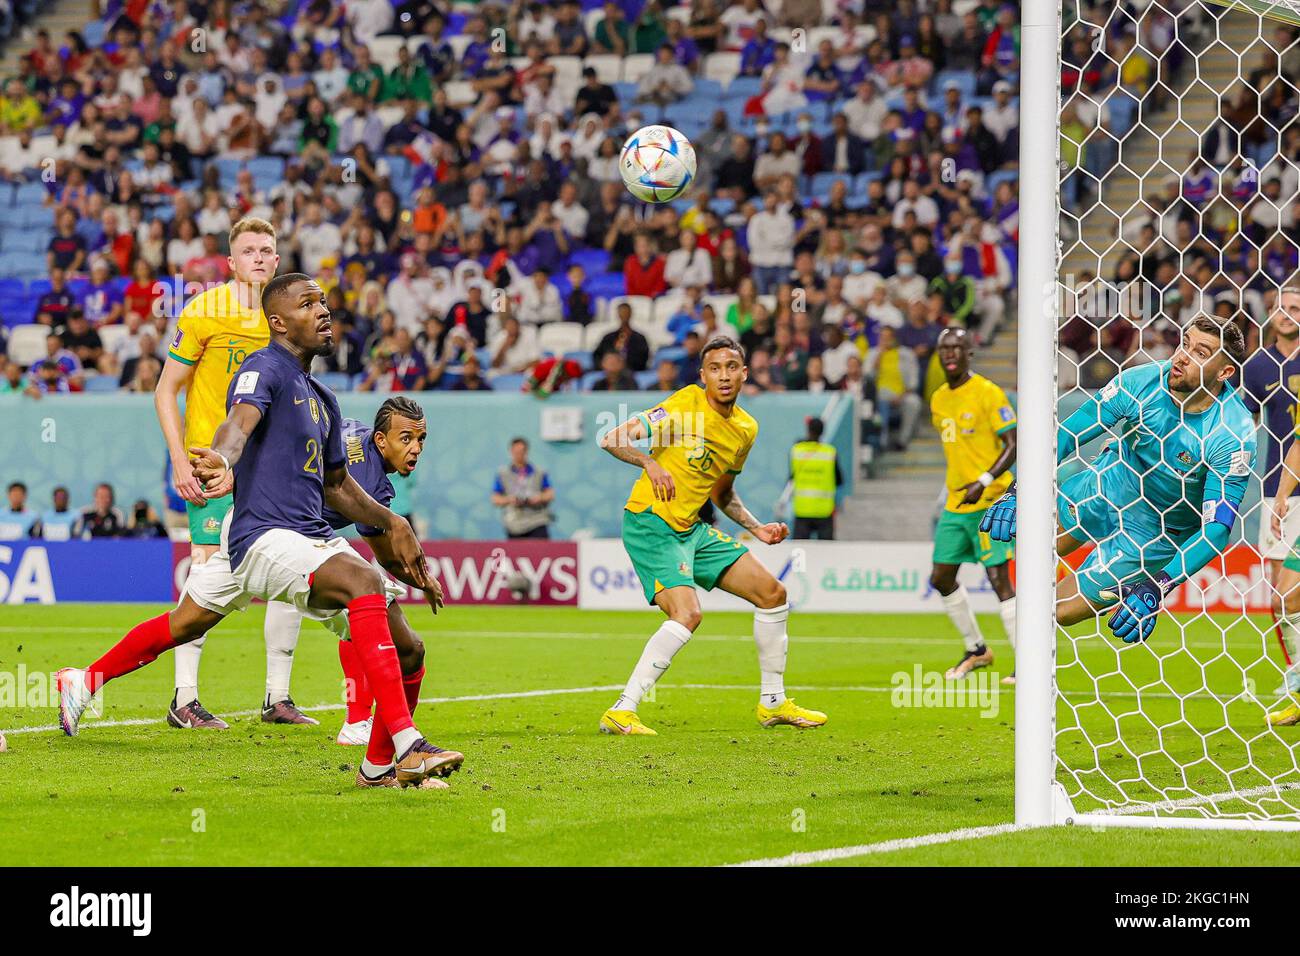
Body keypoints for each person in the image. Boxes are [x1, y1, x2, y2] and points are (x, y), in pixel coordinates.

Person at [56, 273, 462, 791]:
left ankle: (83, 680)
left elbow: (336, 486)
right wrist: (224, 460)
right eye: (307, 304)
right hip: (261, 534)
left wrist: (394, 521)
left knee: (406, 647)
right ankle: (407, 745)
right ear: (277, 321)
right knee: (363, 583)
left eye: (323, 302)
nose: (323, 311)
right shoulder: (262, 367)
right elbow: (238, 425)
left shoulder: (324, 398)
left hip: (303, 536)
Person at [596, 335, 827, 735]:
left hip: (692, 529)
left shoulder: (745, 430)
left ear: (744, 373)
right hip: (651, 521)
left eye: (731, 367)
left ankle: (773, 702)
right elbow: (611, 438)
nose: (724, 376)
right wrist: (650, 463)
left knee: (773, 595)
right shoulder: (685, 403)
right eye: (715, 369)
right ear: (703, 376)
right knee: (688, 613)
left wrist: (755, 526)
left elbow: (722, 492)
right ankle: (622, 710)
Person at [982, 317, 1256, 650]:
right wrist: (1018, 490)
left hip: (1159, 530)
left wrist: (1158, 586)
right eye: (1185, 343)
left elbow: (1216, 529)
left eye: (1201, 352)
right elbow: (1066, 436)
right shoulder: (1140, 381)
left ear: (1225, 373)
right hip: (1110, 484)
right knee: (1030, 550)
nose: (1182, 356)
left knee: (1061, 612)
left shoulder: (1233, 432)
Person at [155, 217, 313, 729]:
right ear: (231, 262)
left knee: (291, 574)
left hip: (272, 471)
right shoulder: (204, 310)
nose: (261, 258)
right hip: (210, 464)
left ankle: (277, 698)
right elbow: (165, 390)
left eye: (268, 249)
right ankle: (184, 698)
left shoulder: (286, 318)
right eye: (250, 251)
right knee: (205, 570)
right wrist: (180, 459)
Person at [272, 396, 446, 750]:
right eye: (406, 439)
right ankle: (362, 725)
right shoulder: (372, 483)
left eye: (421, 439)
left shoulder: (353, 429)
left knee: (192, 619)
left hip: (266, 517)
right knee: (375, 607)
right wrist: (425, 583)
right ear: (382, 441)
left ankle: (357, 720)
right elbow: (389, 560)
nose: (416, 448)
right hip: (292, 535)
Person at [928, 329, 1017, 681]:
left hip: (990, 500)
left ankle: (1027, 663)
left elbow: (1014, 442)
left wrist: (983, 481)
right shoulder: (937, 399)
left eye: (956, 348)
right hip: (956, 501)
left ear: (969, 353)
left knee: (999, 579)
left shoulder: (988, 393)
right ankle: (977, 649)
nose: (950, 353)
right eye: (944, 348)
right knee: (941, 577)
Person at [1240, 288, 1300, 695]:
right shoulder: (1257, 366)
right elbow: (1244, 422)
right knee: (1280, 595)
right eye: (1280, 307)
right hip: (1278, 485)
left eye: (1295, 307)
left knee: (1290, 590)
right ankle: (1295, 670)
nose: (1286, 314)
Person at [491, 437, 555, 539]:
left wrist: (539, 497)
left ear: (526, 452)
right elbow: (495, 499)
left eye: (521, 452)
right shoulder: (503, 474)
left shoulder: (539, 472)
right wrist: (509, 499)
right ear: (511, 452)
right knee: (517, 553)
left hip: (537, 521)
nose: (519, 455)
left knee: (540, 552)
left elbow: (550, 494)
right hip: (514, 523)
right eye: (516, 452)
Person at [789, 417, 841, 539]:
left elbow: (791, 476)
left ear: (808, 430)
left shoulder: (797, 450)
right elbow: (839, 480)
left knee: (800, 550)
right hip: (824, 510)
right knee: (826, 552)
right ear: (823, 432)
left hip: (802, 509)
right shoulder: (830, 452)